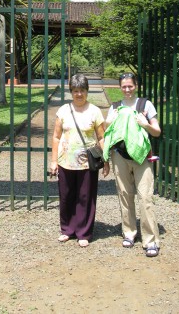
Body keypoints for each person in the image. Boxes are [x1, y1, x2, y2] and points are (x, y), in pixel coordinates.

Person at [104, 72, 161, 257]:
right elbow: (106, 132)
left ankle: (150, 240)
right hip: (120, 155)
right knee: (125, 196)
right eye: (124, 86)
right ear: (120, 88)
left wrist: (145, 124)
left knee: (145, 197)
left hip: (142, 157)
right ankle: (129, 232)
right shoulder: (114, 107)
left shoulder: (145, 105)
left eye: (130, 86)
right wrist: (107, 122)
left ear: (136, 86)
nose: (127, 89)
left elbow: (157, 131)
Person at [50, 73, 110, 247]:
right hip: (65, 161)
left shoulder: (95, 111)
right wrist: (54, 161)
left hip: (87, 162)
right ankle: (67, 229)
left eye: (82, 90)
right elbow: (56, 137)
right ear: (71, 92)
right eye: (75, 90)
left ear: (87, 91)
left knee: (85, 197)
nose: (79, 94)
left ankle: (84, 231)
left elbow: (101, 137)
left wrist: (105, 160)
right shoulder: (63, 111)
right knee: (66, 196)